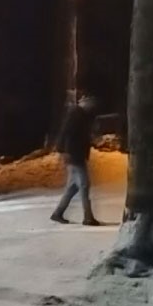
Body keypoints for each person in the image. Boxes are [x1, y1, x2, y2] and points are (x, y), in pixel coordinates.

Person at [51, 93, 100, 226]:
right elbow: (67, 133)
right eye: (92, 103)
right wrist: (66, 151)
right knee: (84, 185)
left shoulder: (81, 115)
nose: (93, 106)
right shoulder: (76, 114)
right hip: (74, 155)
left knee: (72, 187)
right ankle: (88, 217)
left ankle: (58, 213)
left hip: (75, 154)